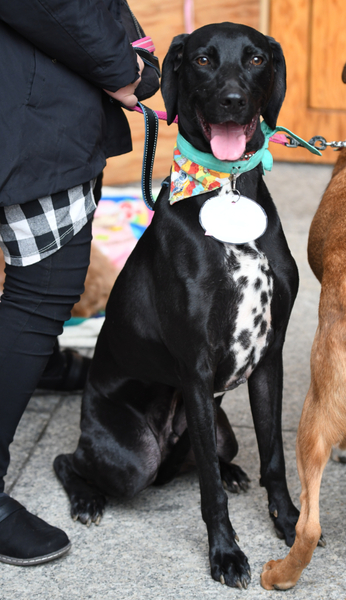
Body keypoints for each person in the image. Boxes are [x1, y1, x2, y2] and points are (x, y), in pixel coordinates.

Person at [0, 0, 148, 566]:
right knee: (45, 284)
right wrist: (121, 65)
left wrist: (133, 48)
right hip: (27, 95)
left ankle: (36, 364)